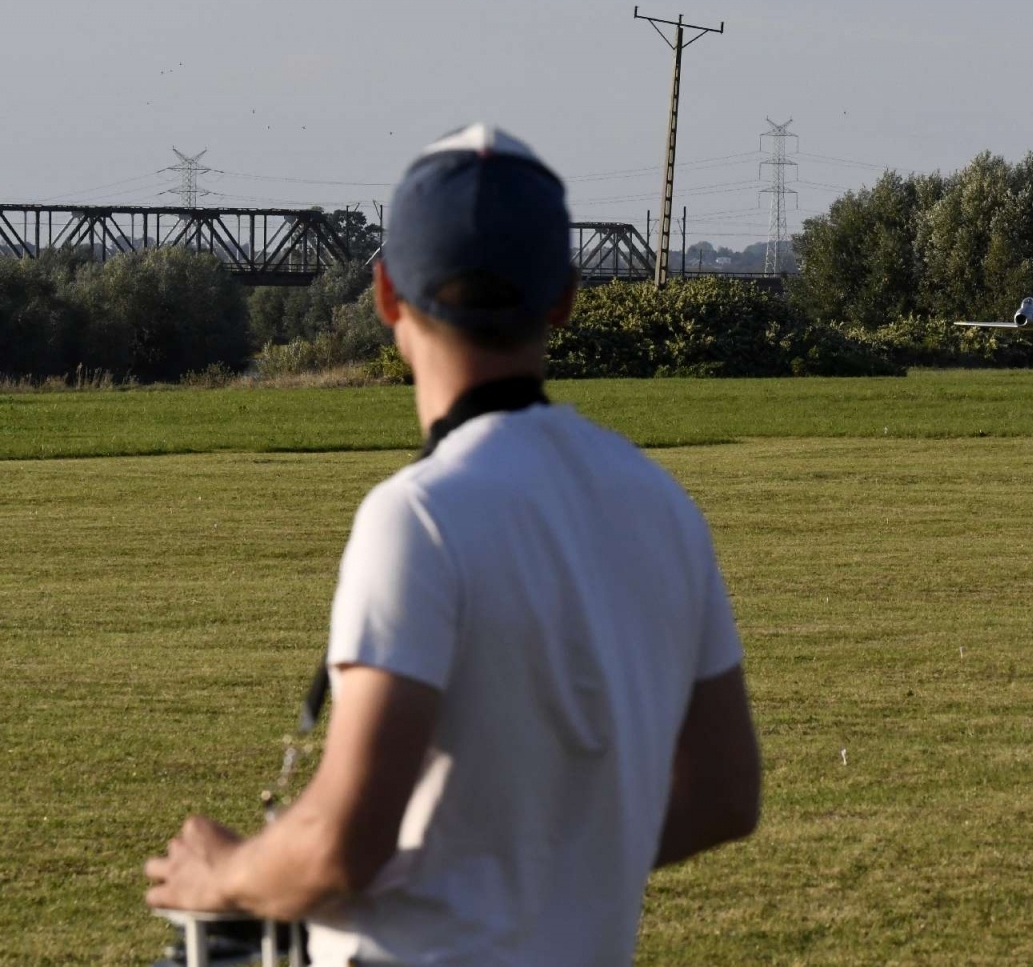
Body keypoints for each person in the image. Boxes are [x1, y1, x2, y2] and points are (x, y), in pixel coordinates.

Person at [144, 123, 762, 965]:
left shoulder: (418, 516)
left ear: (387, 295)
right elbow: (725, 795)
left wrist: (222, 875)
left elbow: (339, 850)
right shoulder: (660, 502)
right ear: (567, 298)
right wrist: (544, 862)